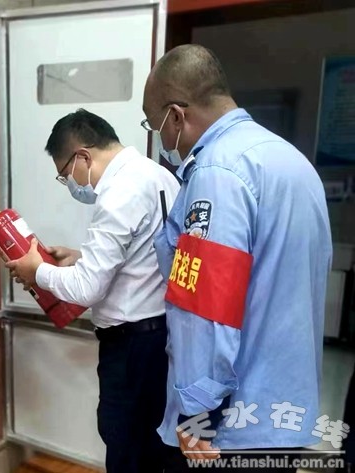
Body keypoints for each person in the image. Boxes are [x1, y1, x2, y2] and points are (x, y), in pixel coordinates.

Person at [142, 44, 332, 472]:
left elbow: (205, 307)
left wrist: (196, 410)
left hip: (230, 426)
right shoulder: (291, 159)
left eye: (155, 125)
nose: (160, 139)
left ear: (176, 116)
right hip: (284, 412)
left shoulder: (216, 173)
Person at [6, 109, 180, 473]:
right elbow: (143, 256)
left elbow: (87, 289)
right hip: (160, 335)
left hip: (132, 346)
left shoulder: (119, 192)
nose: (69, 184)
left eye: (65, 174)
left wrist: (37, 272)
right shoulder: (157, 174)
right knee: (151, 444)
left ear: (83, 157)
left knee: (126, 446)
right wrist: (79, 258)